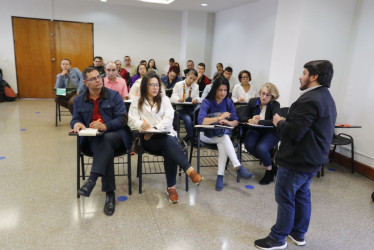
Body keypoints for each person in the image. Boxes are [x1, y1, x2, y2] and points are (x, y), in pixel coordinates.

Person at [254, 60, 337, 249]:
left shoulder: (310, 99)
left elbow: (293, 133)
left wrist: (278, 122)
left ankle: (277, 238)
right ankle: (298, 233)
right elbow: (307, 128)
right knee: (301, 195)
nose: (300, 76)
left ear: (314, 77)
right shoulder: (325, 97)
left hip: (297, 160)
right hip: (312, 160)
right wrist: (287, 121)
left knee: (285, 197)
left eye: (304, 72)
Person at [128, 72, 203, 203]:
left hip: (165, 135)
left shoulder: (165, 100)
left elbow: (168, 119)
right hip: (148, 140)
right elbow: (131, 121)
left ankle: (172, 188)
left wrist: (155, 129)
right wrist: (142, 125)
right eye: (152, 84)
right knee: (169, 144)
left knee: (168, 145)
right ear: (145, 86)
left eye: (157, 84)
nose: (155, 87)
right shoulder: (137, 101)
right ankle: (188, 171)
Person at [71, 67, 132, 216]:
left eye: (99, 77)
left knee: (106, 140)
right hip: (92, 141)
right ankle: (109, 193)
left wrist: (105, 126)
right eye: (93, 79)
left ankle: (92, 181)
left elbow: (122, 119)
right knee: (105, 149)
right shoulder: (79, 100)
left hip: (115, 136)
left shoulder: (114, 95)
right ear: (85, 82)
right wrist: (77, 124)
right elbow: (76, 118)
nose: (98, 80)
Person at [198, 76, 253, 191]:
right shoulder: (207, 101)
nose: (223, 93)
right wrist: (219, 118)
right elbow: (201, 121)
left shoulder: (228, 102)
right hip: (205, 135)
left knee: (223, 140)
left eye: (225, 90)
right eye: (220, 90)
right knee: (224, 138)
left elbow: (236, 122)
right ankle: (237, 167)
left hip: (221, 135)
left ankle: (220, 176)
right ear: (214, 89)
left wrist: (228, 121)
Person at [239, 83, 280, 185]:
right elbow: (241, 116)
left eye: (268, 95)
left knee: (261, 148)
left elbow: (275, 121)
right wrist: (250, 119)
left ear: (272, 96)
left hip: (271, 131)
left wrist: (259, 122)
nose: (264, 97)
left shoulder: (275, 104)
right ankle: (270, 163)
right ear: (260, 93)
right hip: (255, 130)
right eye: (263, 93)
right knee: (248, 145)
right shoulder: (253, 101)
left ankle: (269, 171)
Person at [170, 70, 200, 143]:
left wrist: (196, 99)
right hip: (180, 108)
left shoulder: (196, 86)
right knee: (188, 119)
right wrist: (178, 99)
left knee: (197, 118)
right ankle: (191, 137)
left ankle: (191, 136)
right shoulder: (178, 84)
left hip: (190, 108)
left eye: (194, 79)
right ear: (187, 75)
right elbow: (172, 98)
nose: (191, 81)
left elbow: (197, 97)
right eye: (190, 78)